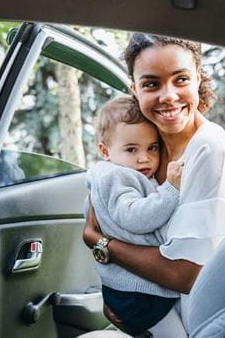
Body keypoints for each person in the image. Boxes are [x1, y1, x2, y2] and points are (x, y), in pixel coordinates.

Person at [83, 33, 225, 336]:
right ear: (134, 88)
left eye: (181, 79)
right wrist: (121, 298)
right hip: (153, 311)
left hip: (199, 320)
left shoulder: (209, 149)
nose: (168, 96)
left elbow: (187, 274)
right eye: (151, 84)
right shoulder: (151, 142)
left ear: (199, 78)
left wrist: (101, 243)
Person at [87, 95, 184, 336]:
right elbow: (135, 219)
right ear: (104, 150)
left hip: (134, 288)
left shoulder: (124, 173)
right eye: (131, 149)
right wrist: (170, 190)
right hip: (137, 293)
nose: (144, 158)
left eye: (152, 147)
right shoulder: (116, 177)